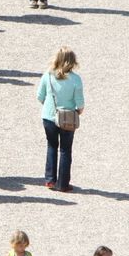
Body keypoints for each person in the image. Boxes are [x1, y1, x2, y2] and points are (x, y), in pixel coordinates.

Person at [36, 46, 85, 192]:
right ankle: (63, 184)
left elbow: (40, 97)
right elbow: (80, 104)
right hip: (67, 118)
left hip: (49, 117)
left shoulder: (48, 75)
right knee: (65, 150)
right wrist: (77, 112)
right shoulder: (76, 79)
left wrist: (50, 107)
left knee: (51, 146)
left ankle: (50, 180)